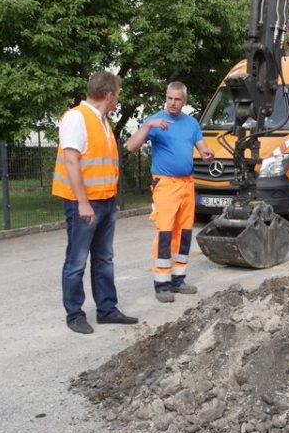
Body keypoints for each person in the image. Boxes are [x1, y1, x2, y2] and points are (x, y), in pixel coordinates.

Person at [52, 71, 139, 334]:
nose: (118, 99)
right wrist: (83, 203)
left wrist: (110, 197)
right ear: (109, 95)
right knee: (76, 260)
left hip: (105, 201)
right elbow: (71, 162)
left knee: (104, 258)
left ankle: (107, 309)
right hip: (85, 204)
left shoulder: (101, 120)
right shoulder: (76, 118)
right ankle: (74, 314)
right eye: (118, 94)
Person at [126, 82, 214, 303]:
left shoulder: (191, 123)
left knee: (183, 232)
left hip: (187, 184)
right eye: (170, 98)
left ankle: (178, 279)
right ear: (166, 98)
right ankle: (162, 284)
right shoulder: (155, 121)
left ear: (184, 101)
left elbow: (201, 145)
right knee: (165, 232)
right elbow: (131, 147)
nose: (173, 103)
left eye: (178, 99)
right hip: (165, 184)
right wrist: (148, 126)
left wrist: (206, 153)